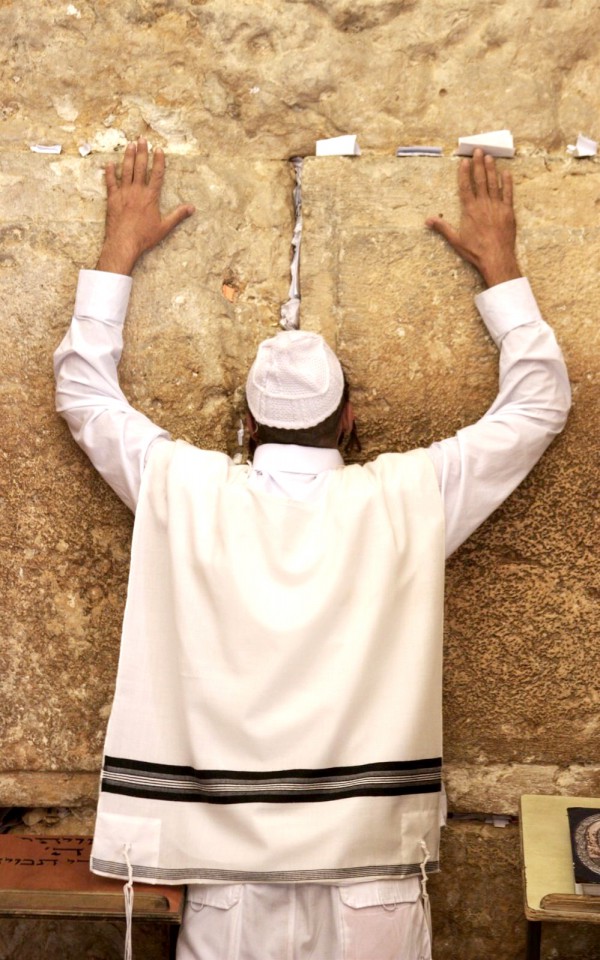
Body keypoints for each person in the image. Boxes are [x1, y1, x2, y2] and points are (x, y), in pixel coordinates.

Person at [54, 139, 570, 960]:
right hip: (370, 865)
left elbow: (82, 391)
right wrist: (500, 264)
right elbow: (538, 406)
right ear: (350, 421)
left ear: (249, 426)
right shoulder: (407, 498)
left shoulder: (184, 491)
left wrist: (121, 245)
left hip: (225, 871)